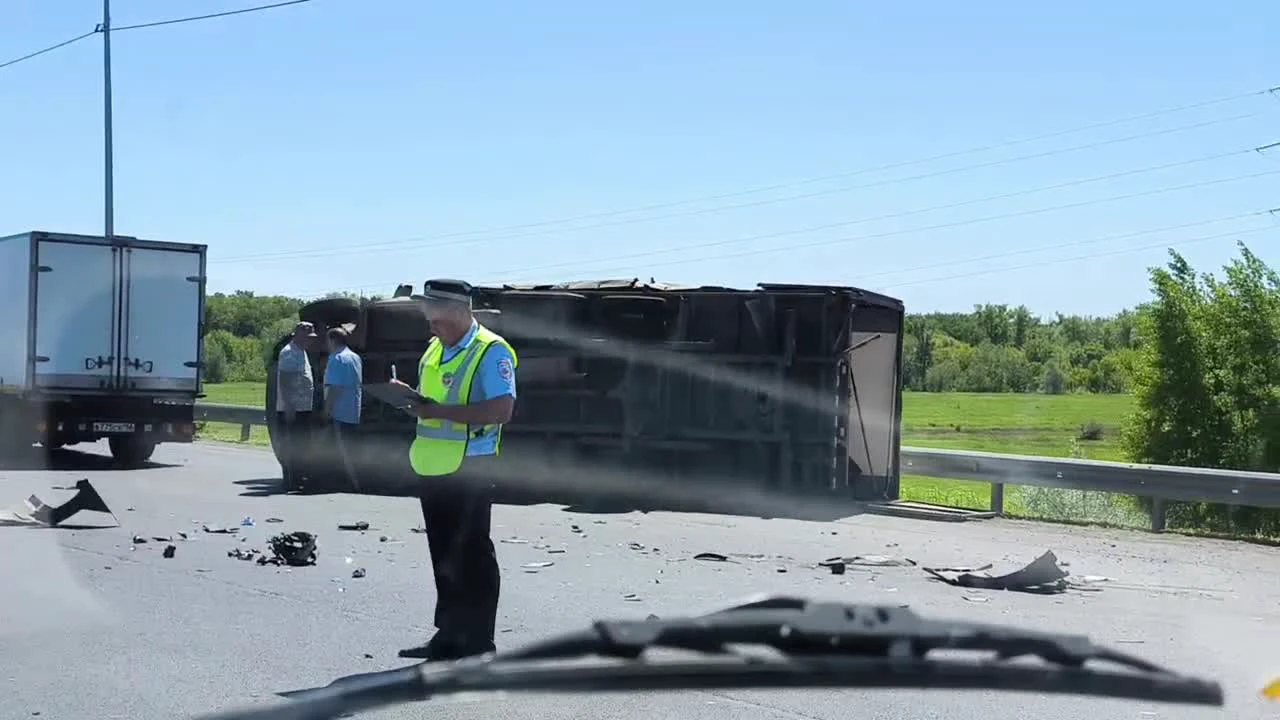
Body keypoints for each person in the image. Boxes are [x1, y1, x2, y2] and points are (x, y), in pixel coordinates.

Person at [390, 278, 517, 661]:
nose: (430, 319)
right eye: (427, 310)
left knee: (473, 552)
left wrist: (437, 411)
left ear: (461, 311)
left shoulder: (490, 351)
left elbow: (501, 410)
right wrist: (407, 397)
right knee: (443, 552)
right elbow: (434, 400)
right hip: (432, 462)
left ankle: (478, 640)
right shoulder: (434, 349)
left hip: (472, 464)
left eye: (436, 311)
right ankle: (449, 634)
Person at [275, 321, 317, 492]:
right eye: (308, 337)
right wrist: (289, 407)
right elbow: (285, 381)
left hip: (302, 407)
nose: (310, 341)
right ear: (298, 336)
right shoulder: (289, 353)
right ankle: (292, 480)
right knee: (293, 445)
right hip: (293, 408)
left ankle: (300, 477)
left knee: (302, 444)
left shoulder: (301, 351)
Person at [322, 326, 364, 492]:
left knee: (341, 449)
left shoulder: (336, 358)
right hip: (353, 409)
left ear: (332, 341)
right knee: (350, 447)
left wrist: (326, 409)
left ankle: (350, 483)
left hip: (340, 411)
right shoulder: (355, 357)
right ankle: (354, 481)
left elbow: (335, 388)